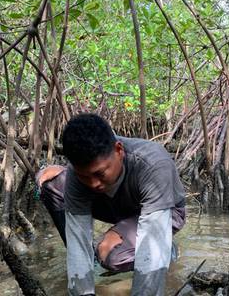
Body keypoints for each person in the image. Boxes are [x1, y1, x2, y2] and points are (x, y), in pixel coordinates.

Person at [36, 113, 186, 295]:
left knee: (109, 253)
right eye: (85, 176)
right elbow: (78, 238)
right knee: (49, 184)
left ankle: (167, 250)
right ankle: (100, 256)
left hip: (163, 213)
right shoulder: (78, 177)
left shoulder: (152, 164)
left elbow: (150, 245)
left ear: (119, 150)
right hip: (113, 205)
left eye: (99, 173)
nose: (93, 184)